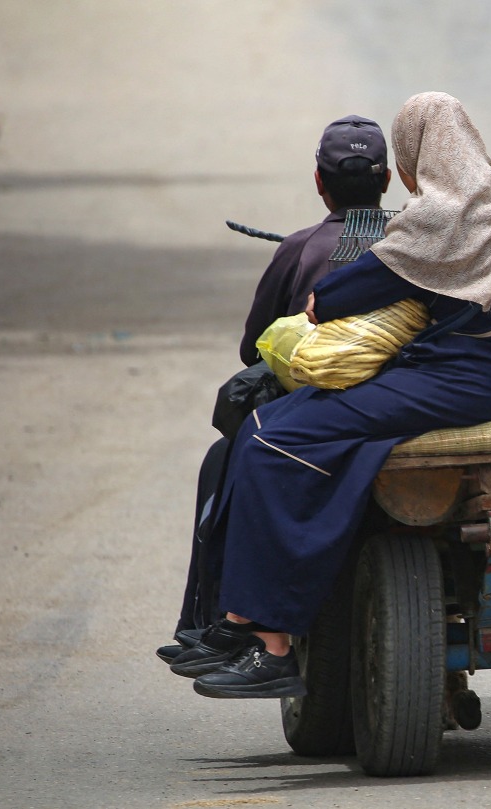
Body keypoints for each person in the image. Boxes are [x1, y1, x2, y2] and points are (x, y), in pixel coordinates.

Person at [167, 92, 491, 699]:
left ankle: (271, 644)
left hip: (463, 379)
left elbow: (338, 296)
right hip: (475, 374)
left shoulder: (439, 217)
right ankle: (240, 622)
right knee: (282, 423)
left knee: (271, 436)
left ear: (417, 155)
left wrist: (333, 301)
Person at [156, 115, 394, 663]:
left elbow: (253, 350)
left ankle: (215, 620)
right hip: (402, 402)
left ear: (318, 181)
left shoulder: (301, 248)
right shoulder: (417, 242)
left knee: (228, 454)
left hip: (315, 419)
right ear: (387, 182)